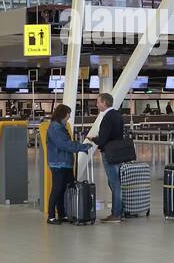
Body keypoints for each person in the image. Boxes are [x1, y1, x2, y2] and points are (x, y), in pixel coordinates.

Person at [46, 104, 91, 225]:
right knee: (57, 189)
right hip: (58, 163)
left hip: (65, 163)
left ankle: (62, 214)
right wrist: (82, 147)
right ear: (62, 114)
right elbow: (64, 144)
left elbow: (66, 143)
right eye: (68, 113)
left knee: (64, 190)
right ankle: (50, 216)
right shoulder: (55, 128)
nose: (69, 116)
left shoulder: (61, 126)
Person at [87, 93, 128, 222]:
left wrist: (94, 139)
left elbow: (103, 139)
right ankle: (120, 210)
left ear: (104, 103)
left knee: (114, 183)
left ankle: (116, 214)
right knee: (115, 182)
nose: (97, 104)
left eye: (98, 102)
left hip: (109, 153)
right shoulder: (117, 115)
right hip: (118, 153)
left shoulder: (107, 117)